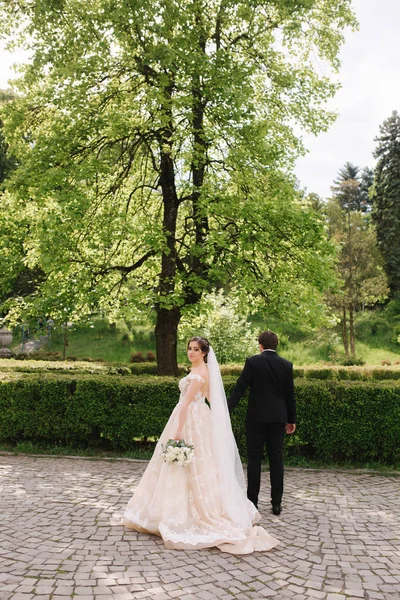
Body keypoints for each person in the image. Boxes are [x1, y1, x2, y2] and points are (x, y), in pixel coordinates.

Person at [123, 336, 279, 554]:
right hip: (199, 417)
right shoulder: (203, 371)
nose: (191, 352)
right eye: (189, 348)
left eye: (196, 349)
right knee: (198, 463)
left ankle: (188, 511)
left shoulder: (199, 374)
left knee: (191, 463)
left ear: (204, 352)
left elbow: (186, 403)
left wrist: (178, 432)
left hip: (189, 419)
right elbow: (211, 401)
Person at [227, 330, 296, 516]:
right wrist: (292, 420)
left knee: (254, 460)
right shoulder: (286, 365)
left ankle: (253, 502)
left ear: (260, 345)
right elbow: (290, 395)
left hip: (256, 418)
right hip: (278, 418)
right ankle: (276, 503)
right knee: (276, 460)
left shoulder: (253, 362)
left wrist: (226, 409)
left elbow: (240, 387)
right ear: (276, 345)